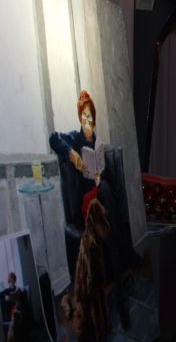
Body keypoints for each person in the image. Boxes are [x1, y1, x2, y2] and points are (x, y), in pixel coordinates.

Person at [50, 90, 142, 286]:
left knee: (106, 191)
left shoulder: (97, 141)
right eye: (84, 116)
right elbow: (53, 138)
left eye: (90, 116)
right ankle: (126, 256)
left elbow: (104, 173)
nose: (87, 120)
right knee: (106, 193)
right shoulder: (74, 137)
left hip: (101, 195)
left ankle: (119, 266)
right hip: (87, 202)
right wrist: (72, 154)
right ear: (80, 118)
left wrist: (100, 173)